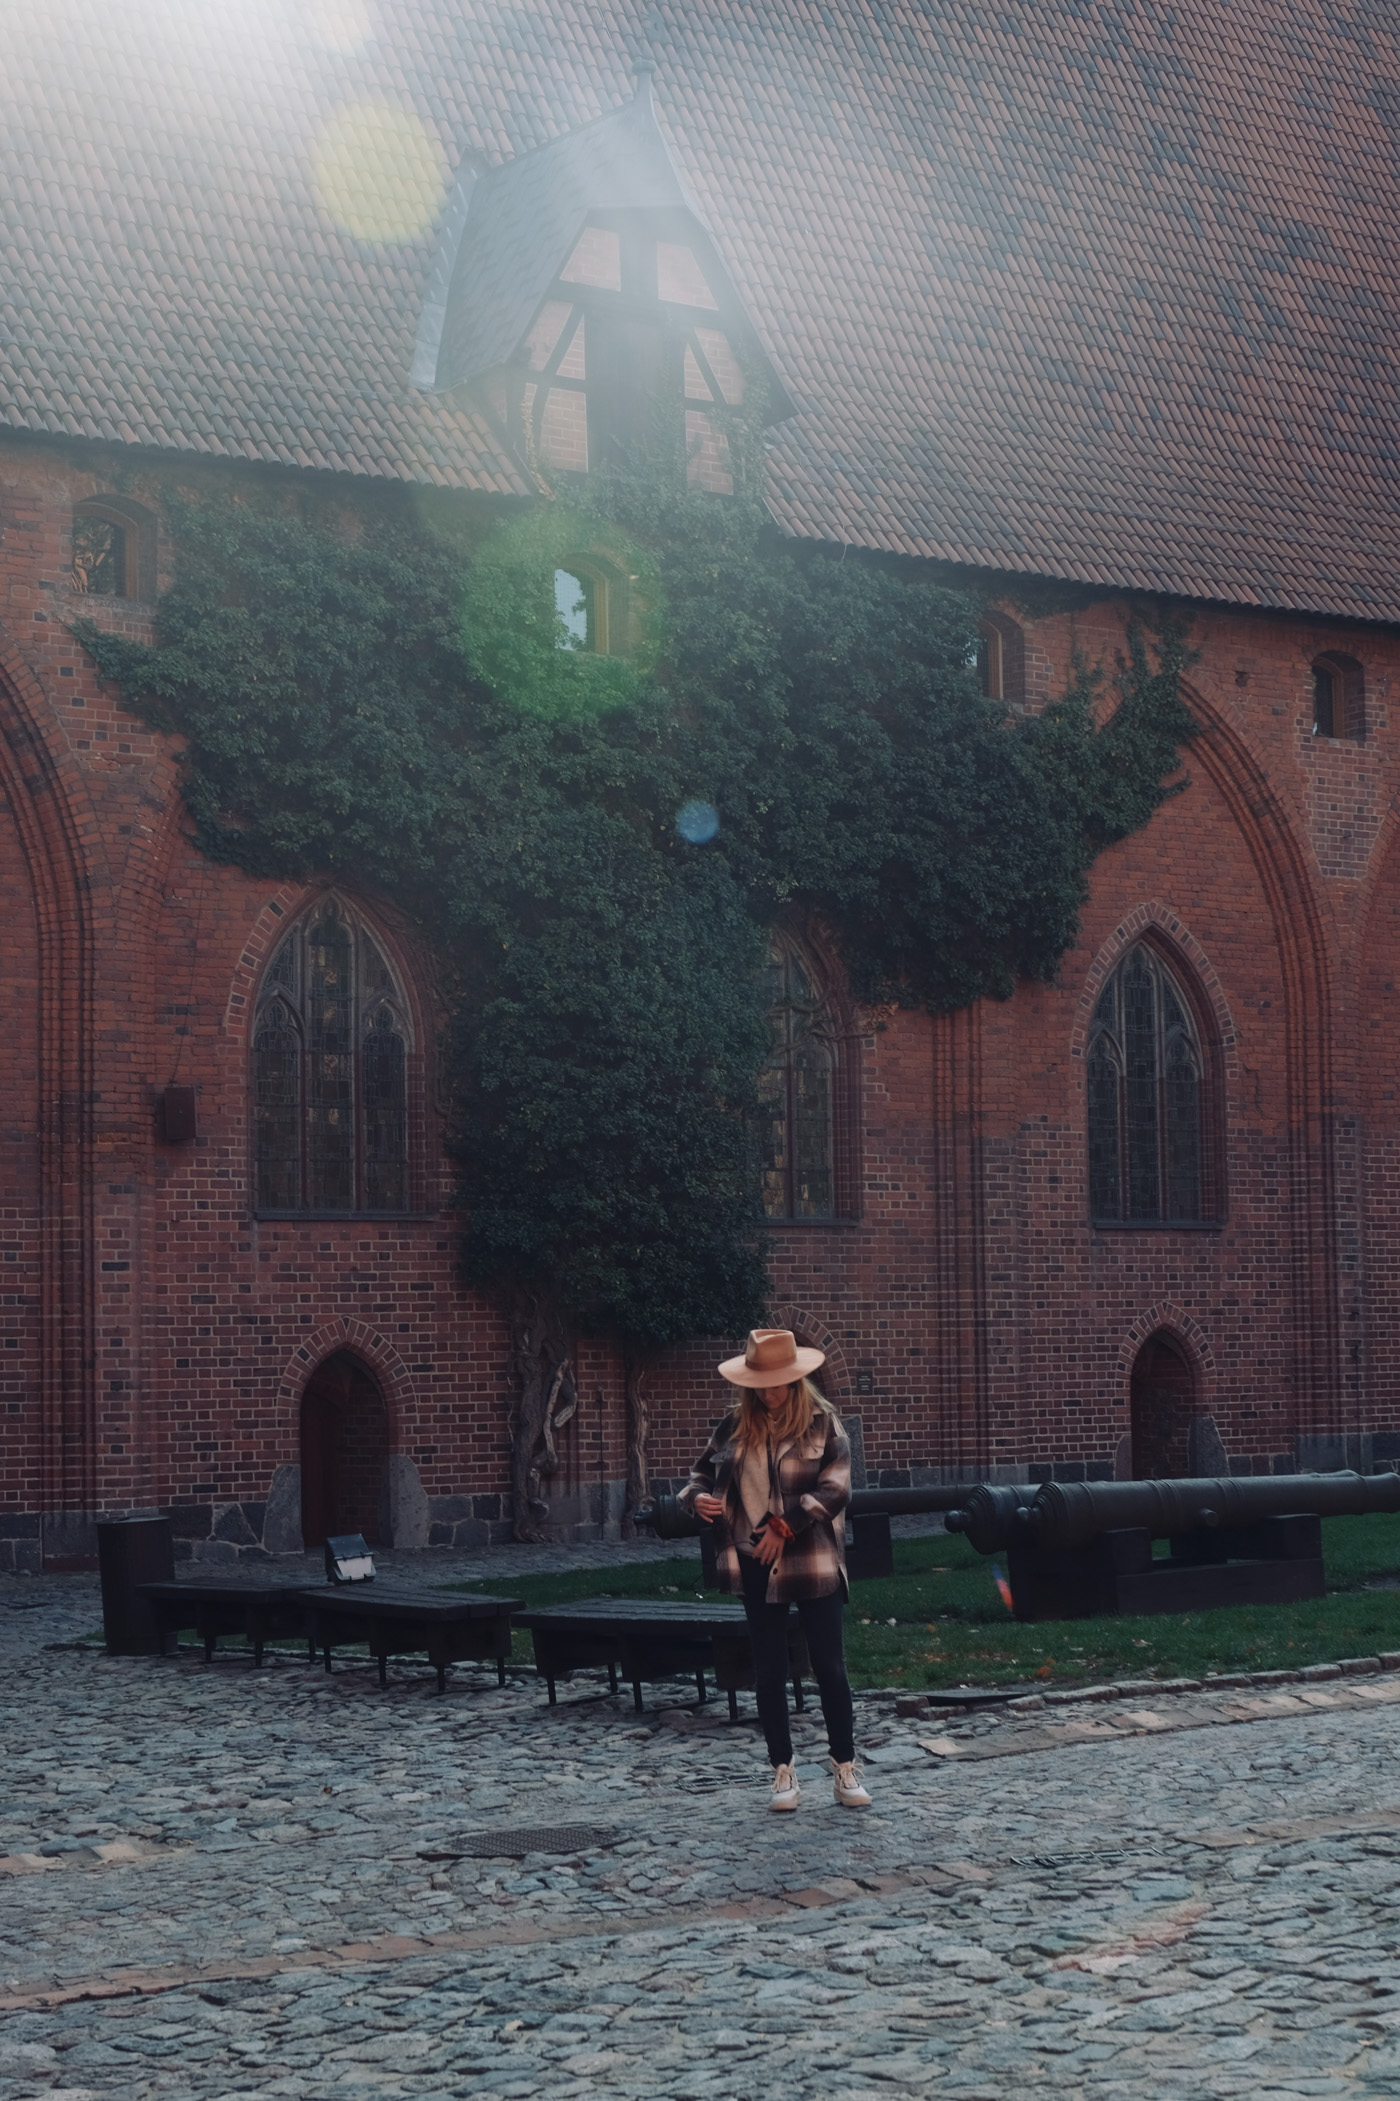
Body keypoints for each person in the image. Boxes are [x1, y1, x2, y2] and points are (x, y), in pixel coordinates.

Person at [680, 1327, 872, 1812]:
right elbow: (699, 1475)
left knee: (829, 1665)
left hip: (812, 1559)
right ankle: (782, 1771)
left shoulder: (823, 1424)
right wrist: (695, 1498)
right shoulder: (733, 1426)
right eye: (759, 1384)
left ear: (795, 1379)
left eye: (777, 1383)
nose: (768, 1392)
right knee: (769, 1669)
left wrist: (785, 1526)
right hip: (753, 1559)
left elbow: (836, 1489)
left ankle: (845, 1766)